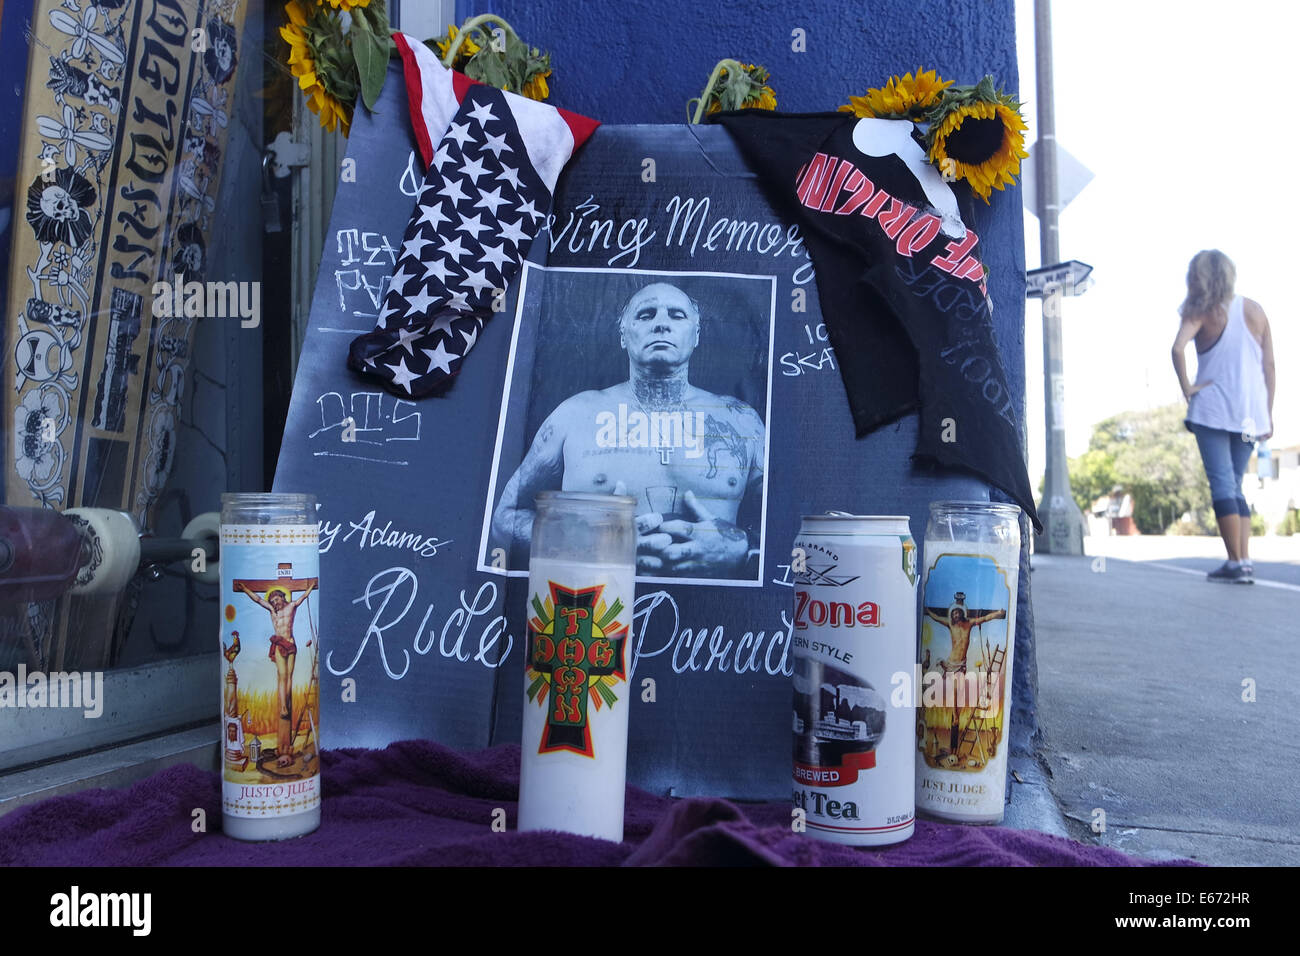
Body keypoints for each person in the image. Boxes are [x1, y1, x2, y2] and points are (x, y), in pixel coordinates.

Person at [491, 282, 765, 578]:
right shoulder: (574, 415)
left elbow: (785, 520)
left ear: (696, 335)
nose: (661, 324)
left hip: (712, 617)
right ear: (623, 336)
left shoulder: (739, 420)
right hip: (592, 611)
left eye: (677, 315)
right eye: (646, 315)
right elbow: (504, 517)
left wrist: (744, 549)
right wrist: (580, 543)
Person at [1171, 250, 1275, 584]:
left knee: (1222, 481)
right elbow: (1269, 365)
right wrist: (1267, 414)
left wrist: (1188, 388)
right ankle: (1243, 560)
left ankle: (1235, 561)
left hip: (1214, 408)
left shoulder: (1202, 310)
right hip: (1250, 413)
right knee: (1236, 483)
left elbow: (1177, 348)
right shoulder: (1255, 310)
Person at [237, 581, 315, 766]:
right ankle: (283, 707)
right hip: (279, 644)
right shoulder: (273, 612)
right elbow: (257, 599)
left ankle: (286, 700)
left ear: (282, 597)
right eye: (272, 600)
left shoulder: (291, 607)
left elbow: (304, 597)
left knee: (290, 676)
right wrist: (246, 589)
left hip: (291, 644)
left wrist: (311, 586)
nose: (275, 602)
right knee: (282, 676)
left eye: (277, 598)